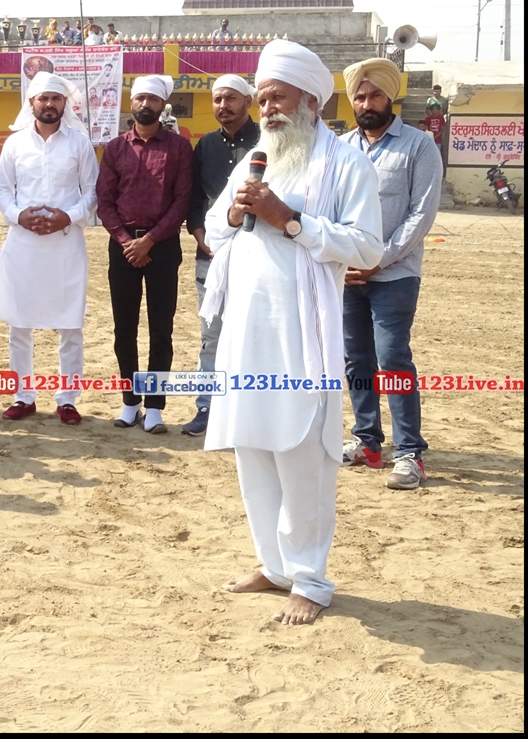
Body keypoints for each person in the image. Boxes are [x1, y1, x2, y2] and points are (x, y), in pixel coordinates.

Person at [201, 39, 383, 624]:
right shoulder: (257, 157)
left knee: (302, 451)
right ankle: (275, 566)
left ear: (310, 99)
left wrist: (291, 220)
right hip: (247, 326)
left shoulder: (347, 163)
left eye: (277, 97)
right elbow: (215, 228)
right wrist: (236, 213)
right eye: (262, 99)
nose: (267, 109)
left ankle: (310, 578)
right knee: (253, 445)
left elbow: (368, 248)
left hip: (305, 330)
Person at [340, 57, 443, 489]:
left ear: (391, 97)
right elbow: (330, 209)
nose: (367, 103)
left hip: (395, 275)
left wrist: (378, 259)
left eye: (375, 95)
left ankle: (409, 453)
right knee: (356, 360)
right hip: (347, 275)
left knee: (393, 359)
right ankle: (367, 442)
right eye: (360, 96)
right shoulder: (341, 147)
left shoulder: (419, 146)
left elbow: (421, 214)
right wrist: (343, 260)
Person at [0, 72, 99, 424]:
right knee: (19, 324)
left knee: (70, 324)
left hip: (66, 244)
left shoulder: (79, 143)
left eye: (56, 99)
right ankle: (23, 396)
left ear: (64, 104)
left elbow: (93, 191)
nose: (49, 104)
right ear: (32, 103)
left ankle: (67, 399)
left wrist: (67, 217)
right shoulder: (14, 143)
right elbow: (2, 189)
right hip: (23, 244)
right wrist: (18, 216)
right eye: (43, 98)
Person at [96, 74, 193, 433]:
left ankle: (154, 406)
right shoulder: (115, 148)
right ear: (131, 103)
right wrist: (126, 240)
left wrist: (150, 240)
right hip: (123, 248)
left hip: (162, 248)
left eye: (153, 99)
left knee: (161, 330)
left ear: (162, 105)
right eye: (140, 99)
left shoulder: (179, 148)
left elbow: (182, 201)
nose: (145, 105)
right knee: (124, 329)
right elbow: (104, 201)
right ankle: (130, 402)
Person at [182, 74, 258, 436]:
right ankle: (207, 408)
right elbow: (195, 199)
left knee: (255, 334)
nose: (223, 106)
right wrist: (202, 238)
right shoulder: (206, 146)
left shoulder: (267, 142)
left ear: (248, 101)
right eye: (217, 100)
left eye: (230, 98)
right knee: (212, 334)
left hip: (258, 256)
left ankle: (248, 412)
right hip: (211, 256)